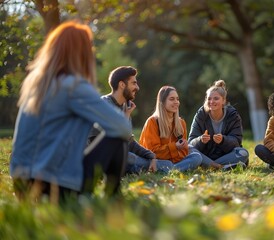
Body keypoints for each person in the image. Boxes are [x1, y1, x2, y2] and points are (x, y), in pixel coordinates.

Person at [9, 21, 132, 203]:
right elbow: (122, 127)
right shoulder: (74, 86)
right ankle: (112, 200)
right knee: (118, 139)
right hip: (54, 188)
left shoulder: (36, 85)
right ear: (82, 53)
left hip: (22, 185)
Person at [92, 66, 173, 174]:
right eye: (133, 83)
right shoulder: (104, 104)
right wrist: (124, 118)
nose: (137, 87)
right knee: (130, 157)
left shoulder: (125, 107)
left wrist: (151, 156)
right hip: (101, 157)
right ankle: (139, 168)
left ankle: (139, 168)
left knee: (167, 164)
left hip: (123, 156)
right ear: (122, 85)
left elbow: (129, 141)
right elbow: (102, 141)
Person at [188, 80, 249, 169]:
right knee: (188, 149)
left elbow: (237, 141)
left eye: (216, 98)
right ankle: (221, 167)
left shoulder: (233, 115)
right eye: (209, 98)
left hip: (225, 155)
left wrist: (223, 140)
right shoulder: (200, 115)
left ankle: (209, 165)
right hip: (206, 155)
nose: (212, 101)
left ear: (223, 100)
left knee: (243, 153)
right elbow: (191, 142)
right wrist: (200, 140)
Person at [139, 86, 202, 172]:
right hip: (156, 161)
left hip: (175, 162)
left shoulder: (181, 123)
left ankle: (171, 170)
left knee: (197, 157)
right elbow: (152, 152)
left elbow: (183, 152)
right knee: (163, 164)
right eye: (172, 99)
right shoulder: (152, 122)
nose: (176, 102)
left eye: (177, 99)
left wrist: (180, 150)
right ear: (162, 102)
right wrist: (175, 147)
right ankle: (174, 169)